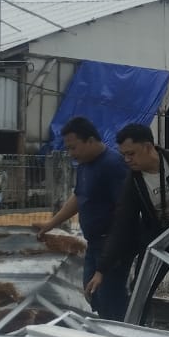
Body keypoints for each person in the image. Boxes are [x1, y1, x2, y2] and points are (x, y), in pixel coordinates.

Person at [89, 124, 169, 321]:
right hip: (159, 244)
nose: (127, 159)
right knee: (139, 293)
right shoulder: (134, 181)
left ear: (149, 146)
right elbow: (121, 224)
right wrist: (101, 270)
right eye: (124, 154)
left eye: (131, 153)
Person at [36, 116, 129, 319]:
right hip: (94, 243)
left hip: (111, 244)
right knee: (92, 293)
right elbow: (79, 197)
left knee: (109, 297)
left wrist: (111, 252)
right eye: (68, 148)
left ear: (90, 140)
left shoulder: (113, 166)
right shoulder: (85, 165)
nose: (71, 154)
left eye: (73, 147)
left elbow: (125, 212)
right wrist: (50, 224)